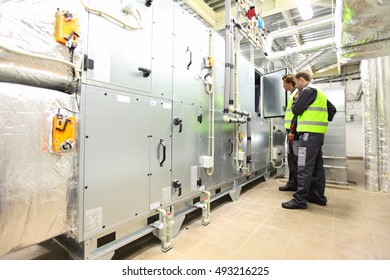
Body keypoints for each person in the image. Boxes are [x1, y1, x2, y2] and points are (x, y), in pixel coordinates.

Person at [282, 71, 337, 209]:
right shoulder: (319, 92)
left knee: (303, 165)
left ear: (301, 80)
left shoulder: (307, 90)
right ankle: (318, 197)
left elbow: (297, 110)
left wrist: (298, 104)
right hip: (317, 134)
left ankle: (300, 200)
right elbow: (332, 110)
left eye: (297, 81)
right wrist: (320, 120)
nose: (297, 85)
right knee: (317, 166)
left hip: (307, 134)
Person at [279, 74, 300, 192]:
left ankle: (294, 184)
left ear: (289, 83)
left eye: (284, 83)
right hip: (290, 131)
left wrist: (292, 131)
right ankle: (293, 183)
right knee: (291, 157)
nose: (283, 86)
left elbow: (296, 114)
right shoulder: (293, 94)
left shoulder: (296, 94)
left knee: (294, 158)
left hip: (293, 132)